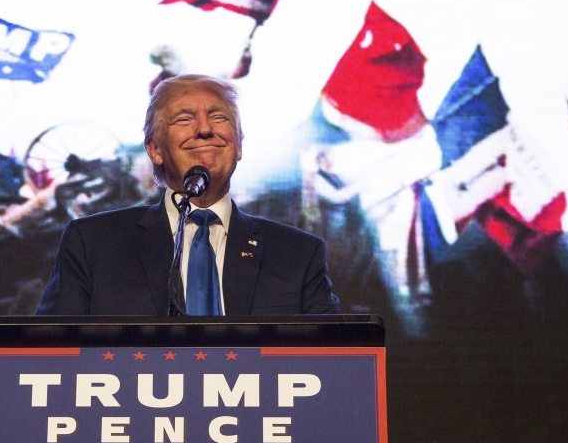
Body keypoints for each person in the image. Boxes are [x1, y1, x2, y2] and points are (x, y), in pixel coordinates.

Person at [36, 74, 340, 316]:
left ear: (239, 146)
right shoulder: (93, 244)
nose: (204, 129)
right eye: (184, 119)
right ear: (155, 150)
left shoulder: (297, 254)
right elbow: (50, 357)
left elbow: (336, 363)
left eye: (219, 117)